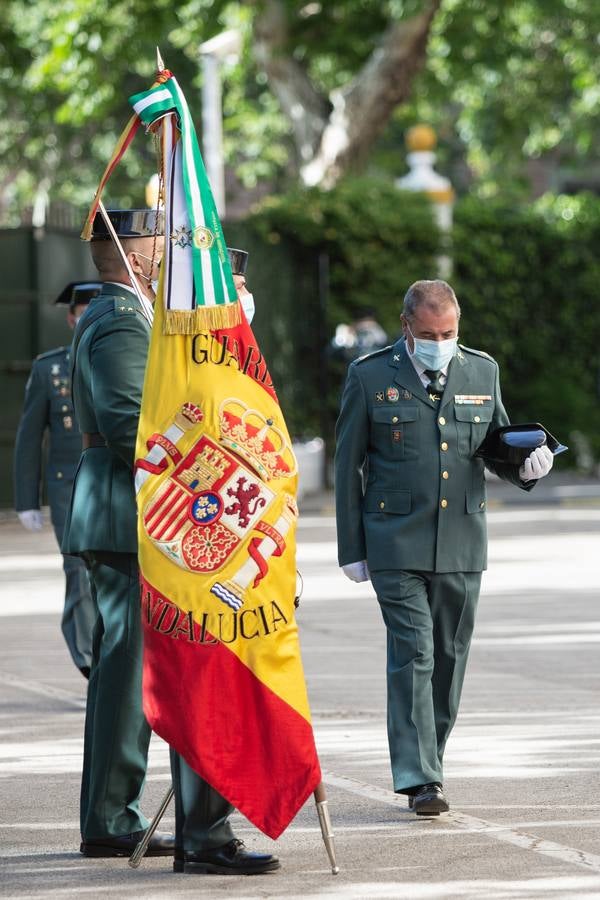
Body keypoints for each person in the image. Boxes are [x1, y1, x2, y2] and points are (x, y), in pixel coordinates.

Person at [62, 210, 278, 874]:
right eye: (161, 251)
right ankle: (125, 820)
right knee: (137, 672)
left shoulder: (126, 315)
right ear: (138, 258)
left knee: (125, 675)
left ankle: (110, 818)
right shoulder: (123, 320)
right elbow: (137, 422)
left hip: (130, 512)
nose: (168, 263)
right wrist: (217, 476)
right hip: (133, 515)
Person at [334, 279, 554, 816]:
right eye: (429, 333)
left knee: (449, 661)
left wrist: (527, 467)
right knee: (415, 652)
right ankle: (420, 778)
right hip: (394, 541)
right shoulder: (369, 376)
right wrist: (352, 548)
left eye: (449, 332)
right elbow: (346, 467)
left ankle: (429, 758)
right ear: (407, 327)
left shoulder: (482, 370)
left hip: (461, 540)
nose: (440, 341)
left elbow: (495, 445)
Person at [13, 282, 101, 678]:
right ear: (70, 318)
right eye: (80, 311)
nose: (85, 317)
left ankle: (111, 652)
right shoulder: (49, 368)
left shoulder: (124, 356)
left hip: (112, 481)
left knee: (114, 573)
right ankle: (88, 660)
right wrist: (27, 500)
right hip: (68, 485)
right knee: (77, 570)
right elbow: (30, 437)